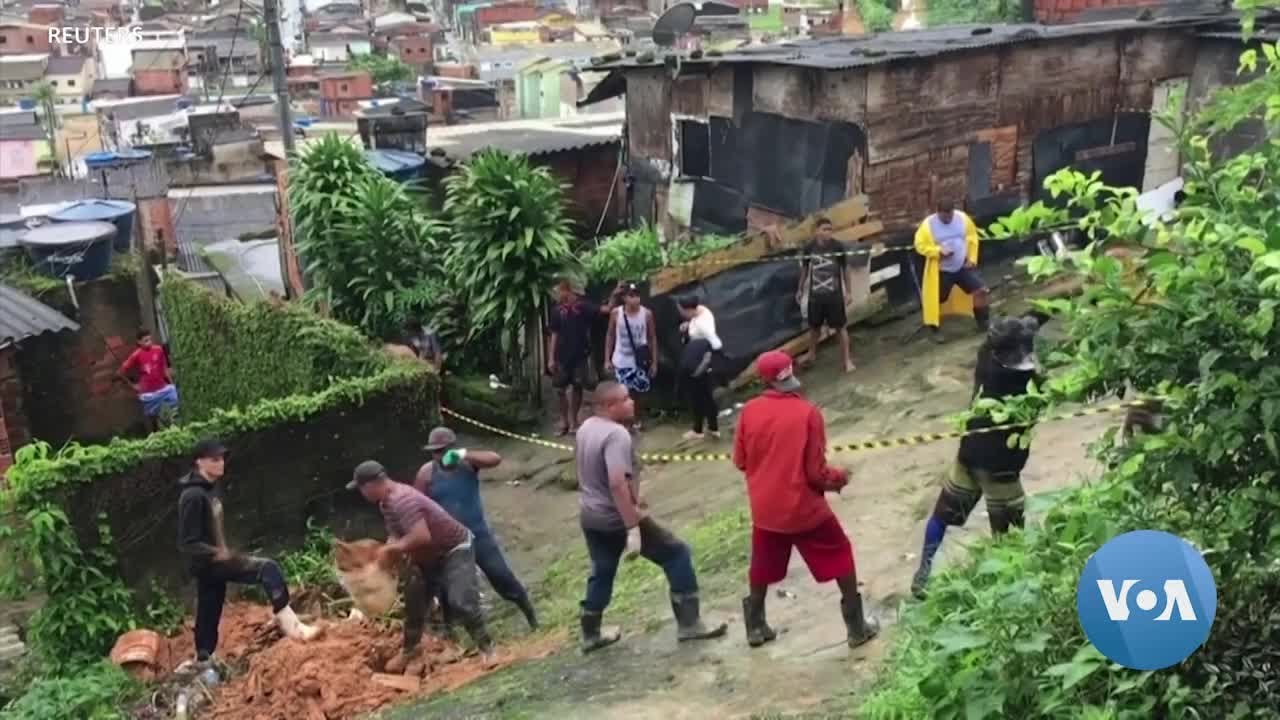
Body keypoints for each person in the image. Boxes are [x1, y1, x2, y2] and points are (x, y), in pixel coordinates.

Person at [732, 351, 879, 650]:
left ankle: (756, 627)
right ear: (790, 374)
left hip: (765, 509)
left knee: (762, 563)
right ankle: (856, 627)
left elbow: (740, 461)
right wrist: (839, 478)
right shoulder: (808, 413)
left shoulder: (748, 411)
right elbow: (815, 473)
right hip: (802, 507)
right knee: (840, 552)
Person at [574, 381, 727, 652]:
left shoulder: (586, 428)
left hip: (590, 514)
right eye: (625, 398)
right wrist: (632, 524)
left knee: (603, 569)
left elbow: (593, 472)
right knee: (676, 554)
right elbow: (616, 483)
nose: (632, 402)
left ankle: (590, 633)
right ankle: (690, 625)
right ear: (610, 405)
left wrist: (634, 497)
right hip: (615, 516)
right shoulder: (616, 435)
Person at [910, 316, 1043, 598]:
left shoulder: (986, 356)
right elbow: (1044, 390)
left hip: (969, 454)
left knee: (943, 515)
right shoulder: (1021, 378)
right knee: (1010, 535)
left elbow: (1023, 327)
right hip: (1001, 467)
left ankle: (923, 573)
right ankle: (1010, 590)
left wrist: (1036, 318)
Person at [177, 439, 320, 665]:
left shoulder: (210, 488)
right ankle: (293, 627)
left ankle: (204, 658)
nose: (221, 463)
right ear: (199, 462)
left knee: (209, 609)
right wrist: (217, 553)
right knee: (267, 568)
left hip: (213, 561)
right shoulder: (193, 496)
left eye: (222, 458)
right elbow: (188, 542)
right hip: (210, 562)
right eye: (214, 459)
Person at [349, 460, 495, 671]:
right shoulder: (385, 503)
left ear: (371, 485)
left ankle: (488, 648)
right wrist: (390, 548)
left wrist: (392, 550)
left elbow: (421, 536)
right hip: (429, 555)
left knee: (460, 601)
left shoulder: (402, 500)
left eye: (362, 488)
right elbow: (397, 533)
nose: (362, 494)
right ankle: (411, 650)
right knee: (415, 601)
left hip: (453, 548)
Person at [415, 426, 538, 630]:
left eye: (443, 450)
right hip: (449, 541)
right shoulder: (426, 474)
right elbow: (417, 504)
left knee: (501, 575)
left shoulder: (468, 463)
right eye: (435, 451)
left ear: (452, 448)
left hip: (478, 532)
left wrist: (463, 455)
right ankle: (450, 632)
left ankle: (530, 615)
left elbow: (495, 459)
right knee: (448, 587)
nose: (439, 455)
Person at [913, 200, 991, 342]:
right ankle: (934, 330)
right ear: (938, 213)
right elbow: (920, 245)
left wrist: (972, 258)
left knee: (981, 290)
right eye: (945, 217)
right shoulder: (928, 225)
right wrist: (937, 251)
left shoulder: (962, 218)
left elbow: (972, 237)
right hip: (941, 271)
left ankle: (983, 323)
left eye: (950, 216)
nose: (948, 219)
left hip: (962, 266)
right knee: (936, 299)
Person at [547, 279, 614, 436]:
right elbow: (554, 334)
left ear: (567, 291)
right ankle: (564, 421)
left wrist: (614, 295)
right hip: (561, 355)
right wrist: (551, 357)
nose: (557, 295)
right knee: (560, 390)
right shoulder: (557, 311)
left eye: (558, 292)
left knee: (577, 386)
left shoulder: (583, 307)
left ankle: (574, 421)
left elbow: (606, 310)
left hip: (580, 353)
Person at [796, 217, 856, 373]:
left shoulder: (838, 246)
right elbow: (804, 270)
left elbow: (846, 269)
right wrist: (800, 289)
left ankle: (847, 360)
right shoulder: (809, 248)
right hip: (815, 296)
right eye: (824, 229)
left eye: (830, 229)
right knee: (814, 328)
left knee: (840, 328)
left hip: (834, 296)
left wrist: (848, 292)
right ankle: (811, 354)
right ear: (817, 231)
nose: (828, 232)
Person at [604, 283, 657, 424]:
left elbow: (652, 338)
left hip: (639, 360)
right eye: (631, 296)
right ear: (624, 298)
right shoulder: (616, 313)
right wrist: (607, 359)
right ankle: (623, 420)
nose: (635, 299)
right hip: (621, 360)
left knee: (638, 393)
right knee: (622, 393)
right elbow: (610, 335)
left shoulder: (647, 314)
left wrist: (654, 362)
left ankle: (637, 419)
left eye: (637, 296)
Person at [677, 296, 723, 440]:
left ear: (688, 309)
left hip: (699, 364)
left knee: (699, 397)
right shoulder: (702, 311)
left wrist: (707, 362)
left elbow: (716, 344)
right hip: (698, 360)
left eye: (681, 310)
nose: (680, 313)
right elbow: (695, 319)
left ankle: (701, 430)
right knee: (704, 396)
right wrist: (689, 324)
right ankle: (711, 428)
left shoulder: (703, 324)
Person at [119, 329, 178, 431]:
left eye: (150, 340)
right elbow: (121, 372)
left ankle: (172, 427)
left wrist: (171, 383)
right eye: (146, 341)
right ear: (139, 342)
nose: (149, 343)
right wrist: (133, 386)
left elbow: (164, 368)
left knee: (174, 407)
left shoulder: (158, 350)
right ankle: (156, 433)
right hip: (148, 393)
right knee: (153, 418)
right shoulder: (136, 355)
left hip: (162, 388)